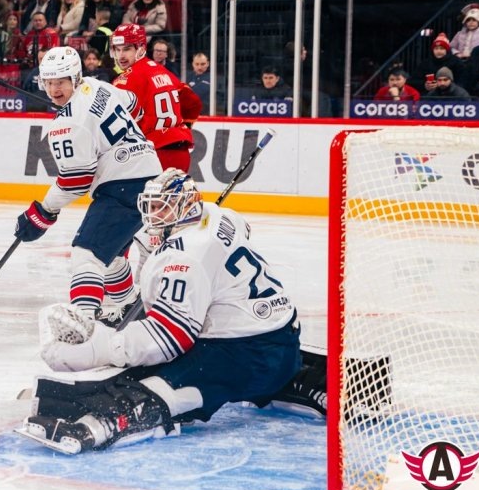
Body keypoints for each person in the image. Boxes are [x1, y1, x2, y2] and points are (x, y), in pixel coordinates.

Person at [19, 169, 301, 454]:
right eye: (151, 206)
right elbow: (241, 230)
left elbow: (169, 338)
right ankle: (300, 377)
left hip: (248, 354)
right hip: (282, 332)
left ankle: (102, 424)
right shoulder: (218, 214)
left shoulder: (184, 257)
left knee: (166, 384)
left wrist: (99, 347)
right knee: (153, 361)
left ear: (185, 206)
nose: (153, 215)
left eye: (161, 207)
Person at [14, 46, 162, 321]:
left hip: (122, 186)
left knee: (87, 255)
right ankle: (131, 308)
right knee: (111, 256)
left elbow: (76, 182)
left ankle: (83, 322)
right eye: (49, 82)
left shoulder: (67, 125)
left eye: (61, 82)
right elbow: (134, 105)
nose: (54, 89)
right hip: (151, 176)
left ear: (75, 78)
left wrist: (43, 211)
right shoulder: (96, 85)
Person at [110, 24, 200, 172]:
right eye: (117, 49)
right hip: (181, 152)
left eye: (127, 49)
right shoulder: (163, 71)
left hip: (153, 155)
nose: (121, 56)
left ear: (140, 48)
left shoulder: (125, 80)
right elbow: (193, 102)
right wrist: (184, 126)